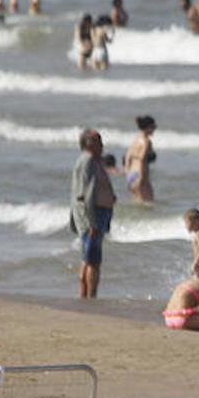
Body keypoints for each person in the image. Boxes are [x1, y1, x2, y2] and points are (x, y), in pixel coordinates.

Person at [69, 129, 115, 301]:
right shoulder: (87, 160)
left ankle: (84, 296)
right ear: (89, 144)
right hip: (93, 216)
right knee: (93, 261)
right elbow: (85, 194)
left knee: (87, 259)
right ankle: (90, 297)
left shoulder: (93, 161)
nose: (102, 145)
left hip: (96, 214)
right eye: (98, 141)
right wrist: (92, 222)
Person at [122, 115, 157, 204]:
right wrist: (142, 177)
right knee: (148, 202)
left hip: (131, 173)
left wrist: (127, 170)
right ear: (148, 127)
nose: (154, 129)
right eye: (153, 127)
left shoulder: (136, 140)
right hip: (140, 173)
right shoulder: (146, 141)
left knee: (137, 201)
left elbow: (128, 156)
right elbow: (142, 159)